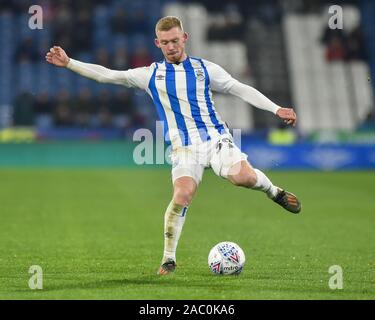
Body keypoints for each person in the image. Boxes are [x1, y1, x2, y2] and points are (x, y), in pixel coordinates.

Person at [46, 16, 301, 276]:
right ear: (157, 43)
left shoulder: (205, 69)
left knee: (243, 177)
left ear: (185, 38)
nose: (171, 47)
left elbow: (239, 88)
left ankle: (274, 192)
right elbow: (108, 76)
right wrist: (69, 63)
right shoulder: (151, 75)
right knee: (182, 195)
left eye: (175, 41)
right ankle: (169, 259)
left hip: (215, 138)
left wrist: (276, 108)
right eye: (165, 42)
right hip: (183, 148)